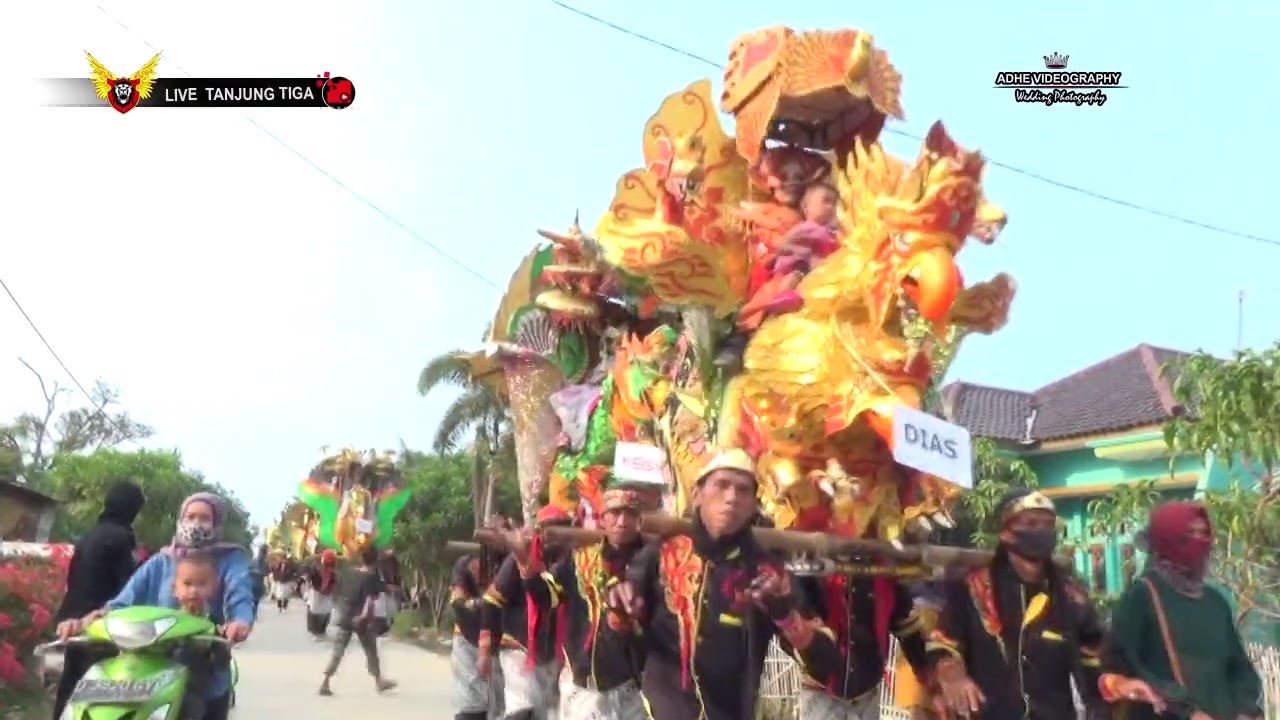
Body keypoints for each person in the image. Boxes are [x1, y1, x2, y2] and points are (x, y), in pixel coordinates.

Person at [606, 449, 843, 720]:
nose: (731, 497)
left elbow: (826, 664)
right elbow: (617, 644)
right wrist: (618, 614)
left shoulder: (768, 572)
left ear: (754, 504)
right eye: (722, 485)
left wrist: (785, 616)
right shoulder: (659, 556)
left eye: (743, 490)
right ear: (697, 495)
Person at [924, 489, 1121, 720]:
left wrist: (1116, 683)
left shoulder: (1071, 596)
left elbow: (1093, 658)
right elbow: (941, 644)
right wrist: (952, 673)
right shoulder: (973, 587)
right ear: (1006, 533)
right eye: (1030, 523)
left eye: (1048, 524)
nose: (1042, 530)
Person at [57, 492, 255, 720]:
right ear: (180, 520)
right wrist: (84, 622)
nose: (196, 523)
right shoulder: (161, 561)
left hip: (204, 668)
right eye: (190, 516)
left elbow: (239, 594)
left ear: (217, 522)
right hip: (148, 669)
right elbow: (121, 603)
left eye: (204, 518)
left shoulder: (230, 559)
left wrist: (240, 620)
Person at [1104, 500, 1263, 720]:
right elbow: (1124, 665)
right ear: (1166, 538)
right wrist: (1187, 712)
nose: (1199, 541)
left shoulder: (1214, 601)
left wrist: (1245, 711)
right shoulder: (1141, 597)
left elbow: (1239, 666)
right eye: (1189, 533)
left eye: (1204, 533)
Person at [519, 487, 647, 719]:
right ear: (603, 518)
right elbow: (548, 596)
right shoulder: (581, 558)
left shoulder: (653, 560)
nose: (622, 521)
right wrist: (527, 570)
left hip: (634, 687)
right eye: (615, 513)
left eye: (630, 514)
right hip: (584, 685)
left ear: (639, 520)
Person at [51, 480, 146, 720]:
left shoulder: (90, 535)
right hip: (99, 623)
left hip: (72, 618)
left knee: (70, 686)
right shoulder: (122, 537)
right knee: (96, 692)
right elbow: (127, 586)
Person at [796, 571, 932, 719]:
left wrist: (925, 671)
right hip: (821, 693)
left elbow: (906, 626)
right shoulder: (814, 566)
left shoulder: (885, 571)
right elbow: (790, 619)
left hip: (868, 697)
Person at [481, 506, 573, 720]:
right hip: (519, 649)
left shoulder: (575, 562)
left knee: (546, 713)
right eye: (550, 531)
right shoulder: (516, 561)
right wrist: (485, 649)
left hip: (557, 654)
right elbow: (492, 600)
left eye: (561, 530)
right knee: (523, 710)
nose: (556, 537)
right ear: (540, 532)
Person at [319, 544, 398, 696]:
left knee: (338, 651)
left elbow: (341, 591)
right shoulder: (371, 577)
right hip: (361, 620)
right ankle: (379, 680)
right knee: (371, 651)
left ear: (361, 559)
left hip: (346, 616)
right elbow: (369, 598)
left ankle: (325, 682)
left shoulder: (350, 573)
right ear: (375, 562)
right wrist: (363, 615)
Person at [448, 550, 490, 720]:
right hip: (469, 638)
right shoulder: (465, 566)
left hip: (502, 640)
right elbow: (458, 603)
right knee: (471, 701)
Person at [304, 549, 339, 638]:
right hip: (319, 592)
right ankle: (317, 630)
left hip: (321, 593)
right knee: (320, 610)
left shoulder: (328, 570)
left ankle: (318, 630)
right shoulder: (318, 568)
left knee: (321, 610)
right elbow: (310, 578)